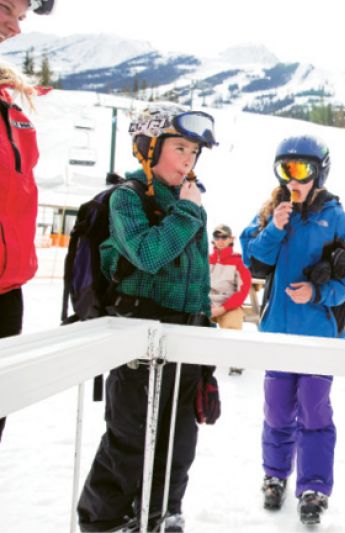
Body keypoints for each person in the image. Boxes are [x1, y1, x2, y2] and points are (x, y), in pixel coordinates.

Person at [77, 104, 218, 533]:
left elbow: (198, 279)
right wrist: (189, 213)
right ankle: (102, 522)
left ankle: (160, 511)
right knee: (130, 437)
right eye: (179, 148)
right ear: (147, 148)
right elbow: (150, 255)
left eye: (194, 152)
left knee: (179, 440)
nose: (188, 160)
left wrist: (207, 349)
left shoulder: (187, 202)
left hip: (186, 338)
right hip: (138, 337)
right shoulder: (128, 198)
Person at [240, 135, 345, 526]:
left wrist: (319, 292)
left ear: (320, 172)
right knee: (277, 409)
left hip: (318, 336)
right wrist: (275, 227)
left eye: (302, 170)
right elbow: (253, 257)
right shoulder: (273, 210)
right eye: (285, 169)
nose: (293, 179)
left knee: (314, 411)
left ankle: (313, 487)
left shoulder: (336, 217)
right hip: (278, 331)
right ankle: (275, 476)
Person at [0, 0, 55, 444]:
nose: (14, 27)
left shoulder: (8, 103)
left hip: (6, 292)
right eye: (4, 8)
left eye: (20, 16)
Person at [209, 223, 252, 375]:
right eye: (217, 236)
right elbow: (197, 284)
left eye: (224, 237)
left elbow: (243, 289)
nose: (220, 240)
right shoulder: (206, 260)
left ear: (230, 239)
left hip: (227, 305)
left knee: (233, 323)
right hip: (207, 303)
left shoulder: (238, 262)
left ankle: (236, 362)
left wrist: (223, 308)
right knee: (193, 321)